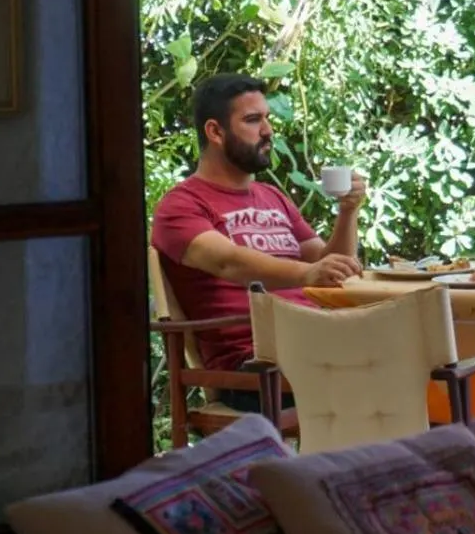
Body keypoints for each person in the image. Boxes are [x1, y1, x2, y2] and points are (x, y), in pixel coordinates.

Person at [151, 74, 366, 394]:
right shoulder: (181, 205)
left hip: (315, 345)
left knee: (416, 354)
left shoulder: (273, 197)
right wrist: (307, 273)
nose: (268, 130)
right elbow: (227, 262)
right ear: (215, 132)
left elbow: (331, 266)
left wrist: (348, 211)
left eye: (267, 118)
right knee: (391, 368)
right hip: (253, 366)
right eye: (253, 120)